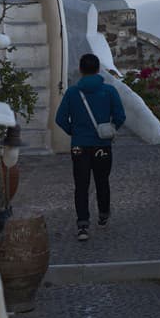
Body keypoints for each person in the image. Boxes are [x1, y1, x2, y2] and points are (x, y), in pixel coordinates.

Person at [55, 53, 126, 241]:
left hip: (79, 146)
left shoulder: (72, 93)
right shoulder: (109, 91)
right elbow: (120, 116)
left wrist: (75, 132)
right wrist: (110, 129)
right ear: (98, 69)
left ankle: (83, 225)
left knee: (81, 185)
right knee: (102, 181)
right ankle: (103, 216)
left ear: (81, 70)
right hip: (102, 145)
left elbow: (60, 119)